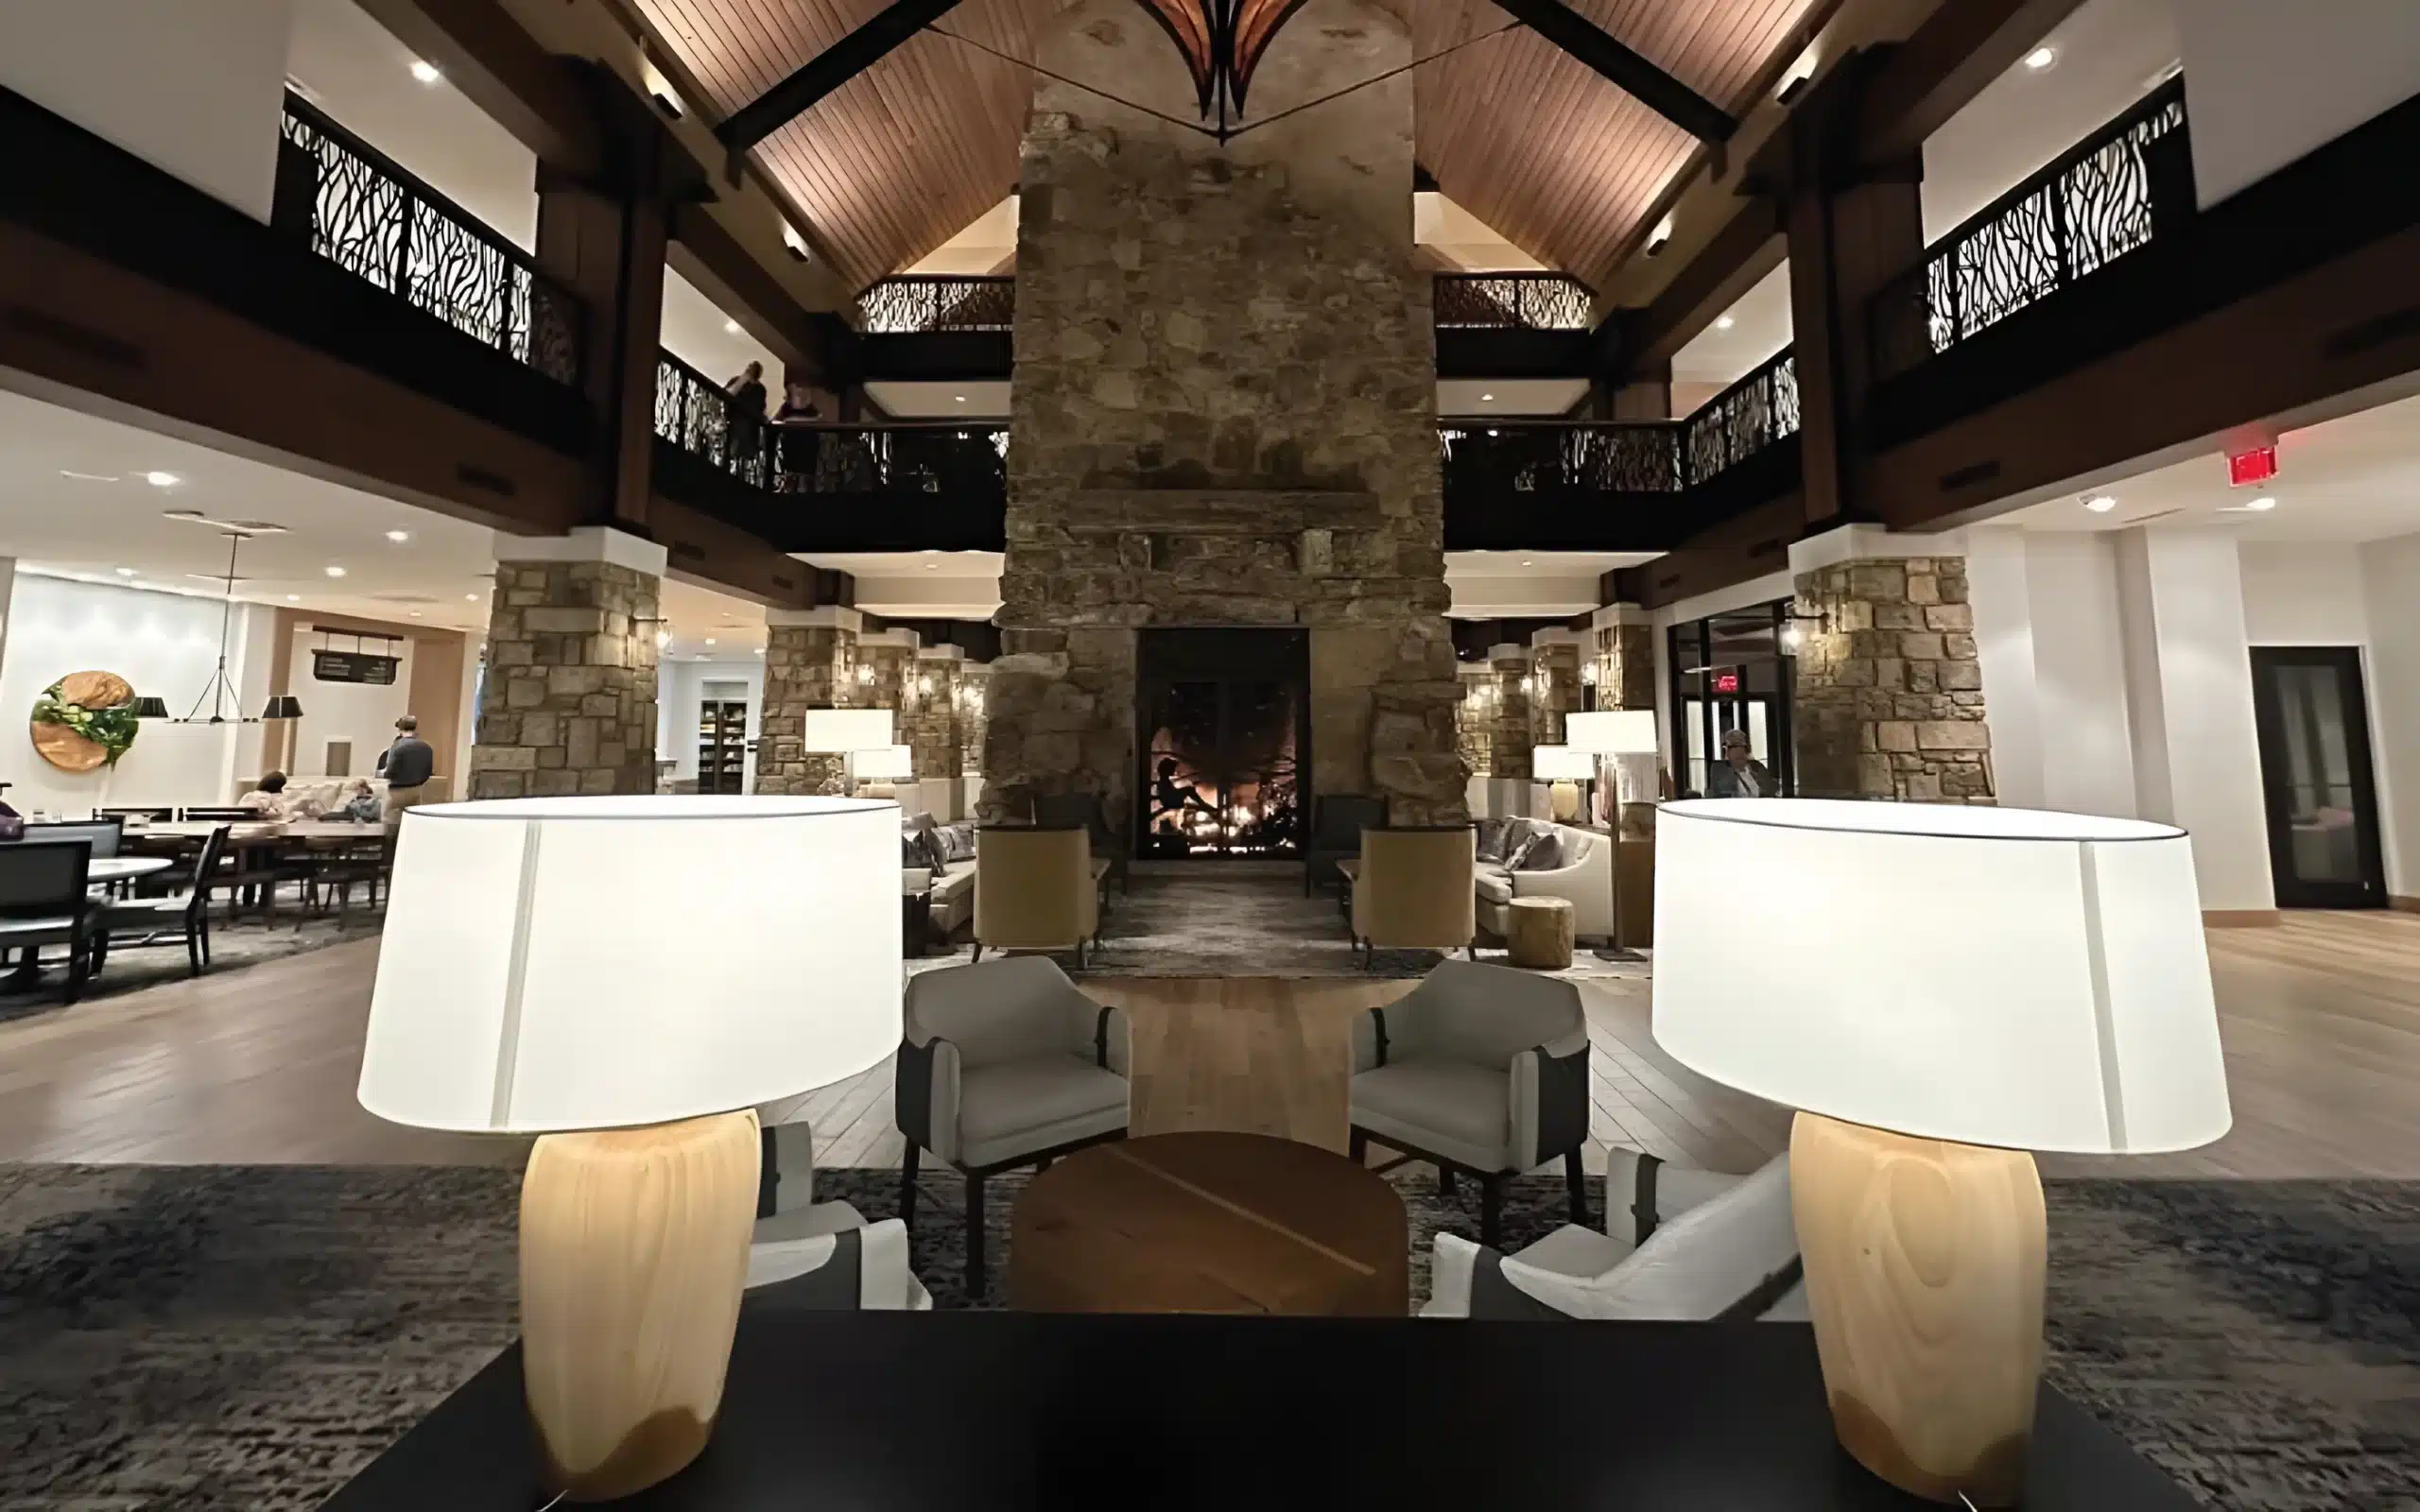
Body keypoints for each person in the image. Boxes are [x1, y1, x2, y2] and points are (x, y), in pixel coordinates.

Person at [378, 714, 435, 826]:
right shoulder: (426, 747)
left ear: (400, 729)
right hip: (417, 790)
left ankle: (392, 837)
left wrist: (380, 773)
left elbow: (390, 772)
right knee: (412, 820)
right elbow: (428, 771)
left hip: (397, 792)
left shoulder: (397, 746)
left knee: (387, 819)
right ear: (415, 727)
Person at [1705, 729, 1776, 799]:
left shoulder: (1757, 767)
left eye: (1742, 746)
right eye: (1733, 747)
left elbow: (1772, 790)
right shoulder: (1720, 770)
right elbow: (1722, 793)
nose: (1738, 751)